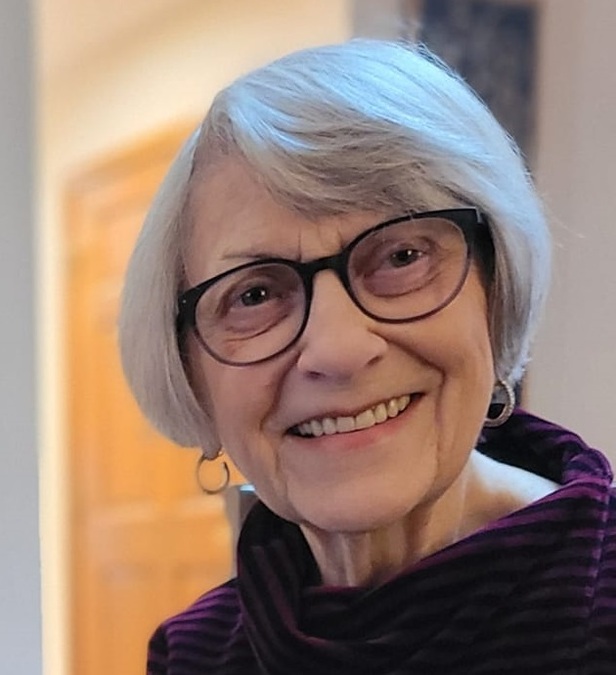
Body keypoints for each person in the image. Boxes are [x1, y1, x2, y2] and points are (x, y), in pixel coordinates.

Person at [119, 39, 616, 674]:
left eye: (402, 257)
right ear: (191, 374)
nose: (339, 350)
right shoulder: (194, 654)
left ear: (495, 292)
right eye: (255, 294)